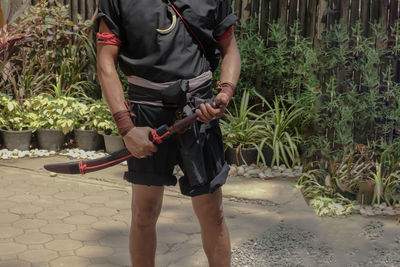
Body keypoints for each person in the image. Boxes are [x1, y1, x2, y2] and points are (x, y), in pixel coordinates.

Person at [96, 0, 241, 266]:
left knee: (213, 211)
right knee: (144, 212)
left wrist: (225, 92)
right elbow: (106, 60)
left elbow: (230, 48)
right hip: (145, 117)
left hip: (199, 111)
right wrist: (127, 128)